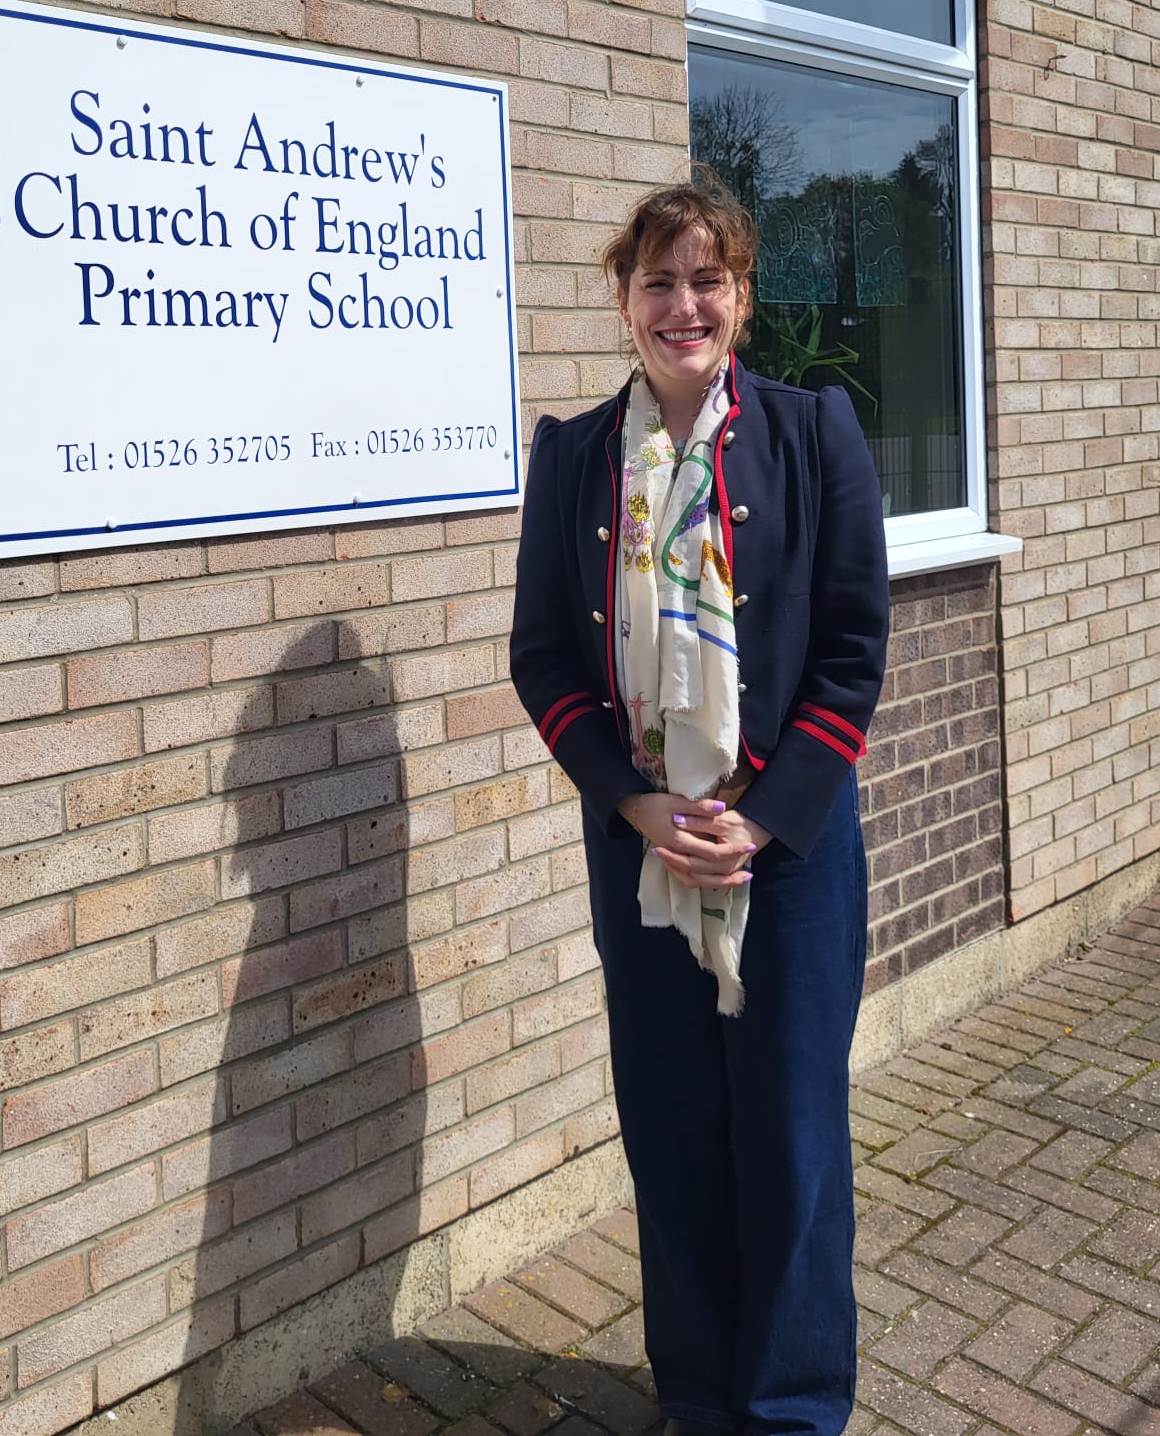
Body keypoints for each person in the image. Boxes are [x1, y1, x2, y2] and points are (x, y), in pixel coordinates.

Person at [510, 172, 889, 1436]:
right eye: (658, 279)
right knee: (671, 1130)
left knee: (787, 1140)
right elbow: (545, 659)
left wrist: (767, 813)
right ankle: (698, 1394)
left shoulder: (811, 429)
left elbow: (851, 647)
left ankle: (786, 1406)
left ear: (740, 293)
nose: (684, 303)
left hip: (785, 851)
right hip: (643, 851)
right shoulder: (570, 460)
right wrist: (628, 803)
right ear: (624, 298)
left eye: (706, 278)